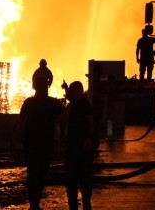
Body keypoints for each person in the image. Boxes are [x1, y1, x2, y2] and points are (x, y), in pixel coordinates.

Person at [14, 75, 64, 210]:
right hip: (46, 142)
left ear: (34, 87)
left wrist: (16, 140)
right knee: (42, 172)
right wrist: (64, 136)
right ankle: (35, 201)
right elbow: (63, 120)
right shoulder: (53, 103)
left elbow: (21, 122)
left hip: (31, 142)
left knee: (32, 172)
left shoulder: (29, 102)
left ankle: (33, 202)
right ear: (47, 87)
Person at [63, 81, 96, 210]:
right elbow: (70, 97)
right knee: (73, 175)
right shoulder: (77, 104)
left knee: (84, 175)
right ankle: (75, 199)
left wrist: (88, 138)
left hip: (81, 147)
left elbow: (90, 122)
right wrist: (66, 89)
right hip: (73, 146)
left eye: (72, 91)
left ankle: (84, 199)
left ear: (78, 91)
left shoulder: (85, 107)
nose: (71, 95)